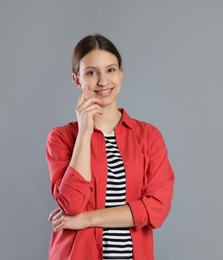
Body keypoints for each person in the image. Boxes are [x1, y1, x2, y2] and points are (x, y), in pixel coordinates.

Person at [46, 34, 175, 260]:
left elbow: (156, 208)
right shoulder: (62, 138)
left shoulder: (148, 137)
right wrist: (85, 132)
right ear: (77, 80)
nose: (103, 81)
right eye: (91, 72)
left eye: (110, 70)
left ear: (121, 73)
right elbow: (72, 204)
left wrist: (87, 219)